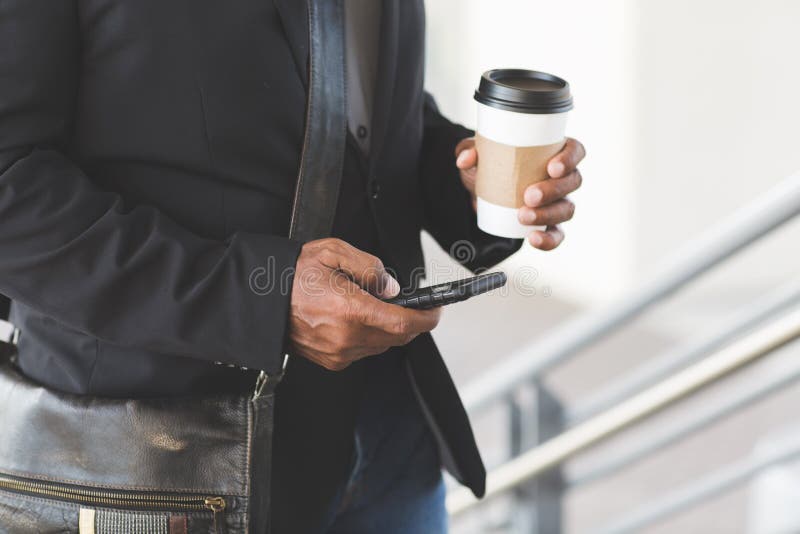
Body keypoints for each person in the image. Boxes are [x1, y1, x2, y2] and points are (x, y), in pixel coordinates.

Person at [0, 0, 584, 532]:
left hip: (389, 439)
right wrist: (261, 301)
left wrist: (463, 179)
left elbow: (352, 107)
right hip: (170, 466)